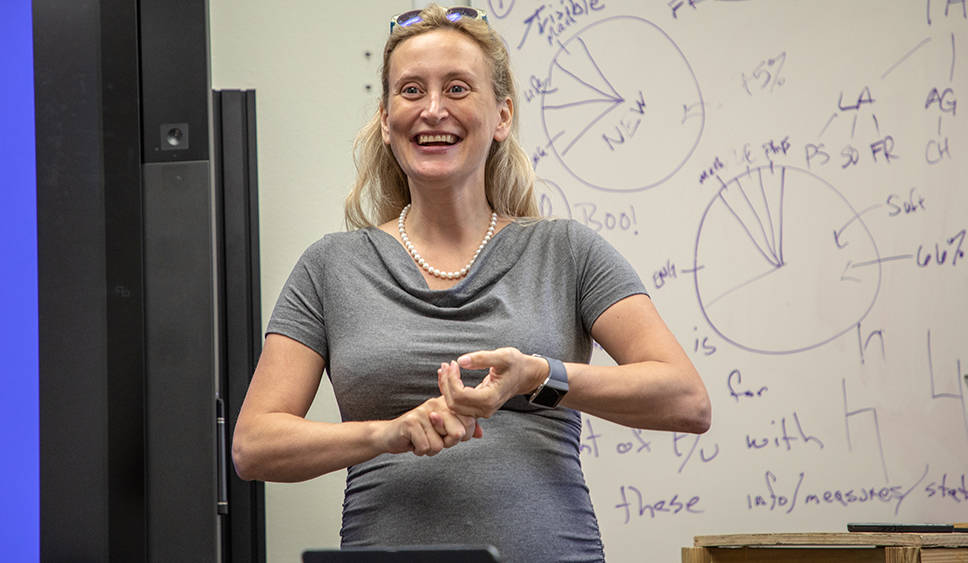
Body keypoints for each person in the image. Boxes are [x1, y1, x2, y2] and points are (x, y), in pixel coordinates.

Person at [232, 4, 711, 562]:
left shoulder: (567, 251)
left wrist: (539, 375)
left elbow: (686, 400)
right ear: (386, 120)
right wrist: (387, 434)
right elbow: (254, 445)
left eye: (457, 88)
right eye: (411, 91)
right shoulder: (329, 267)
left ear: (502, 116)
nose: (434, 110)